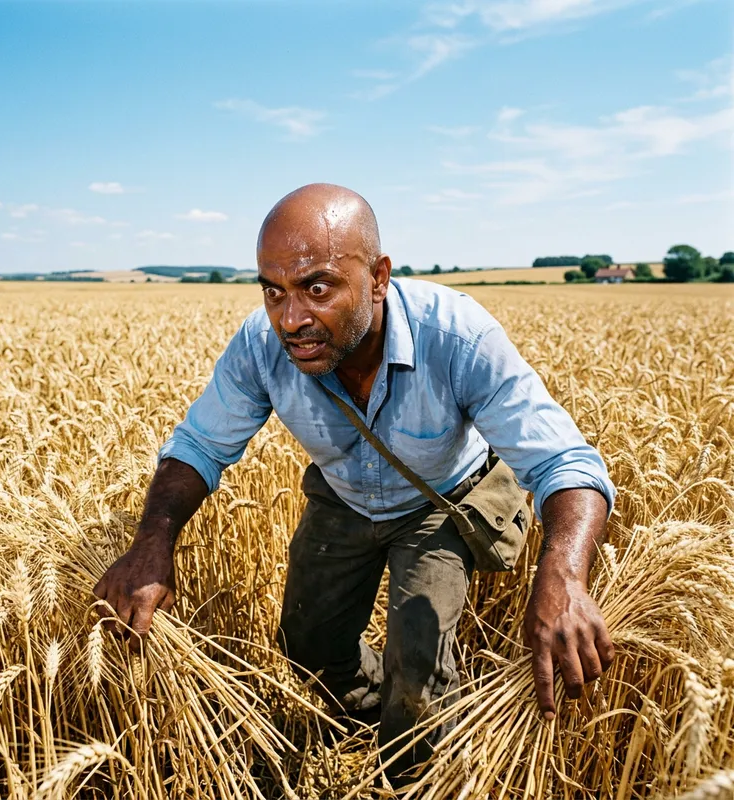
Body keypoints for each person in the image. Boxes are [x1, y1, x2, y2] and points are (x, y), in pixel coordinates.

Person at [93, 183, 616, 785]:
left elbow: (563, 463)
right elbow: (200, 446)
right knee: (308, 645)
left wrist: (565, 574)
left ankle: (411, 769)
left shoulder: (457, 336)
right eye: (274, 292)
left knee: (418, 668)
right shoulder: (262, 346)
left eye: (317, 287)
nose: (291, 319)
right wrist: (152, 542)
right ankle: (376, 719)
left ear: (377, 277)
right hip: (343, 496)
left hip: (437, 499)